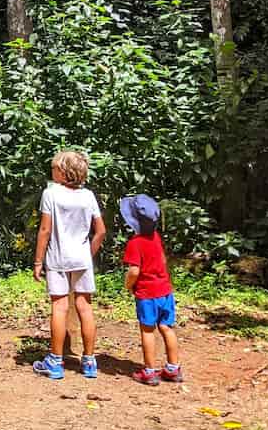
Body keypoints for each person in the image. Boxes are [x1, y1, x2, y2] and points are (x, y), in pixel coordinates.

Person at [32, 150, 107, 379]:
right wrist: (88, 253)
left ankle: (55, 361)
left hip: (57, 258)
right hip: (82, 259)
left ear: (64, 172)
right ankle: (90, 361)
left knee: (60, 307)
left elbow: (45, 230)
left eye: (54, 168)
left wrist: (38, 261)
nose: (52, 171)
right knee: (85, 307)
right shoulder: (88, 196)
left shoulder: (50, 194)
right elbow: (101, 231)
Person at [121, 193, 183, 385]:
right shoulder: (155, 237)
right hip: (165, 291)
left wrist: (128, 286)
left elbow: (134, 271)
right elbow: (163, 261)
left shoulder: (135, 243)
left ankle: (149, 371)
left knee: (147, 330)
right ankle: (173, 368)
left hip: (147, 294)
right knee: (166, 327)